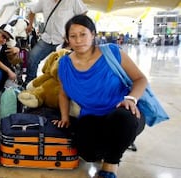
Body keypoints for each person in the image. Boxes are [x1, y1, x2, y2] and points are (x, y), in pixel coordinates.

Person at [55, 15, 146, 178]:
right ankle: (116, 143)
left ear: (93, 34)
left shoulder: (112, 52)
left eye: (83, 34)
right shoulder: (64, 64)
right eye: (73, 36)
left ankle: (110, 167)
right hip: (91, 117)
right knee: (88, 154)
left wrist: (131, 99)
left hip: (122, 113)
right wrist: (65, 117)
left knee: (123, 120)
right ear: (67, 39)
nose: (78, 40)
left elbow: (140, 79)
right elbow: (63, 93)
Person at [23, 0, 88, 85]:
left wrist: (73, 32)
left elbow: (83, 14)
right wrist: (30, 25)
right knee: (32, 57)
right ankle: (29, 83)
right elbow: (32, 11)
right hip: (47, 38)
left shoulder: (73, 1)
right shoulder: (44, 1)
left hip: (63, 41)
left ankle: (64, 88)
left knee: (63, 65)